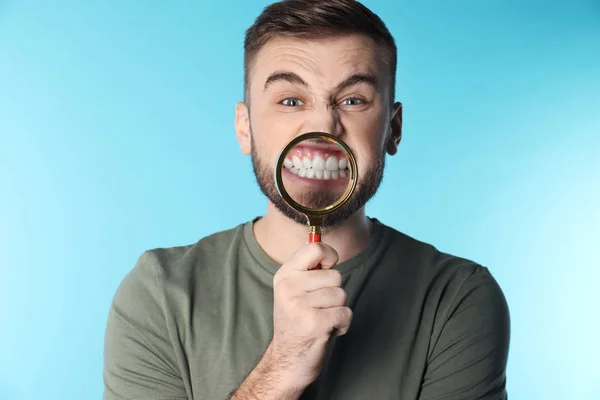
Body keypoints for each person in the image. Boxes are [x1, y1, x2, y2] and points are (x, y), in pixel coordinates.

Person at [102, 1, 511, 399]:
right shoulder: (160, 294)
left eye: (353, 100)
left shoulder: (456, 298)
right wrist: (283, 367)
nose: (321, 125)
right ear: (245, 128)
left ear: (393, 129)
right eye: (291, 100)